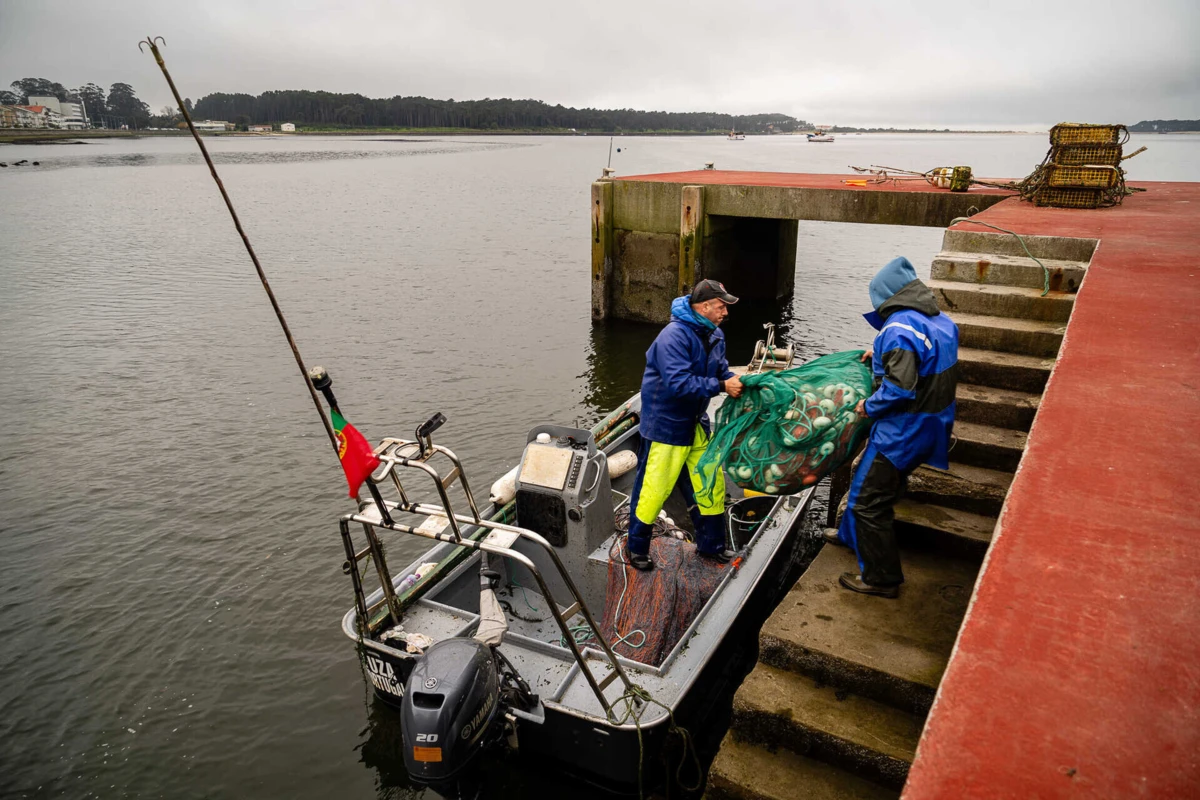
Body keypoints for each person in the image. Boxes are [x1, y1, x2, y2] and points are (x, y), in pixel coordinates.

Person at [825, 256, 958, 598]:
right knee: (872, 484)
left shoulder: (898, 330)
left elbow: (899, 389)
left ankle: (881, 578)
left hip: (903, 430)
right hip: (935, 422)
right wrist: (881, 352)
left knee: (869, 500)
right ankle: (849, 537)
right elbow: (921, 356)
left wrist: (868, 405)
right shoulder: (940, 321)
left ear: (885, 298)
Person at [625, 279, 745, 571]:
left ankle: (711, 546)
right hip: (666, 426)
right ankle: (636, 548)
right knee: (653, 489)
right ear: (703, 307)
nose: (725, 312)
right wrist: (720, 385)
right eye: (720, 307)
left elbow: (720, 368)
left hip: (696, 424)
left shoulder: (714, 334)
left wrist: (733, 379)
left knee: (710, 483)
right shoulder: (673, 337)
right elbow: (679, 384)